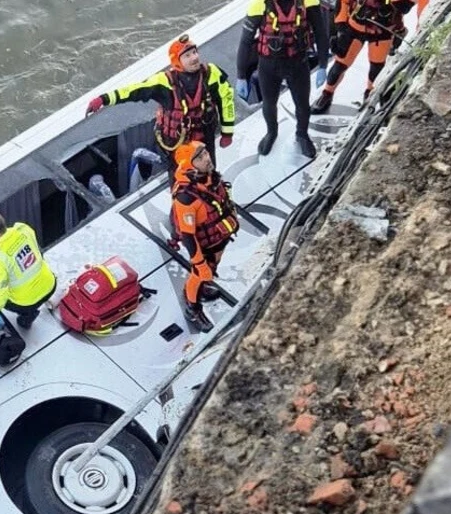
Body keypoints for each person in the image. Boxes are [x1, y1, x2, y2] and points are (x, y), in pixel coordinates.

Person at [85, 34, 236, 174]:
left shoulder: (212, 74)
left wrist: (227, 133)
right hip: (176, 144)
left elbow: (226, 101)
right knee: (181, 179)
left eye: (195, 52)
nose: (194, 58)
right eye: (187, 55)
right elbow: (133, 91)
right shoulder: (164, 82)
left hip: (204, 139)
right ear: (177, 61)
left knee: (209, 173)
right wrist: (104, 99)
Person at [237, 0, 331, 158]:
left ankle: (302, 134)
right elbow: (245, 41)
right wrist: (241, 75)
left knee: (302, 104)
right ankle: (271, 132)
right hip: (268, 66)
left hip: (298, 63)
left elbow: (320, 32)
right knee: (269, 103)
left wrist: (323, 65)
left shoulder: (308, 2)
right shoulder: (259, 4)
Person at [171, 141, 240, 333]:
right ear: (189, 165)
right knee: (199, 274)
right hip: (204, 245)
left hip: (219, 237)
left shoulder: (209, 178)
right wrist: (199, 262)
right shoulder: (186, 197)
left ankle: (202, 287)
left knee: (212, 267)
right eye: (199, 157)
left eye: (206, 153)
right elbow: (188, 235)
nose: (207, 158)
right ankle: (192, 305)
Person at [312, 0, 415, 113]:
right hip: (354, 27)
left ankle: (370, 95)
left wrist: (395, 6)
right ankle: (327, 93)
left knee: (377, 68)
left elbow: (406, 5)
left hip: (382, 31)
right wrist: (341, 26)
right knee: (340, 65)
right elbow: (343, 2)